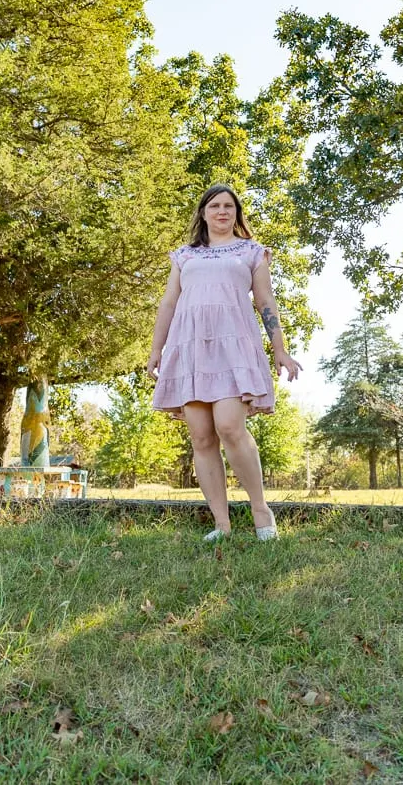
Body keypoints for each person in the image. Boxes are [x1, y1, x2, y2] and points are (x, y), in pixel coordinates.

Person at [147, 184, 302, 541]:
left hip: (233, 348)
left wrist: (280, 349)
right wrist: (157, 349)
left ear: (237, 213)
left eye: (228, 206)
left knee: (230, 427)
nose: (221, 211)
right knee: (201, 437)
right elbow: (169, 303)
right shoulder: (184, 256)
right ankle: (222, 523)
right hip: (190, 348)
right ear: (203, 213)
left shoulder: (251, 252)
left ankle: (261, 513)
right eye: (214, 206)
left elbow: (266, 302)